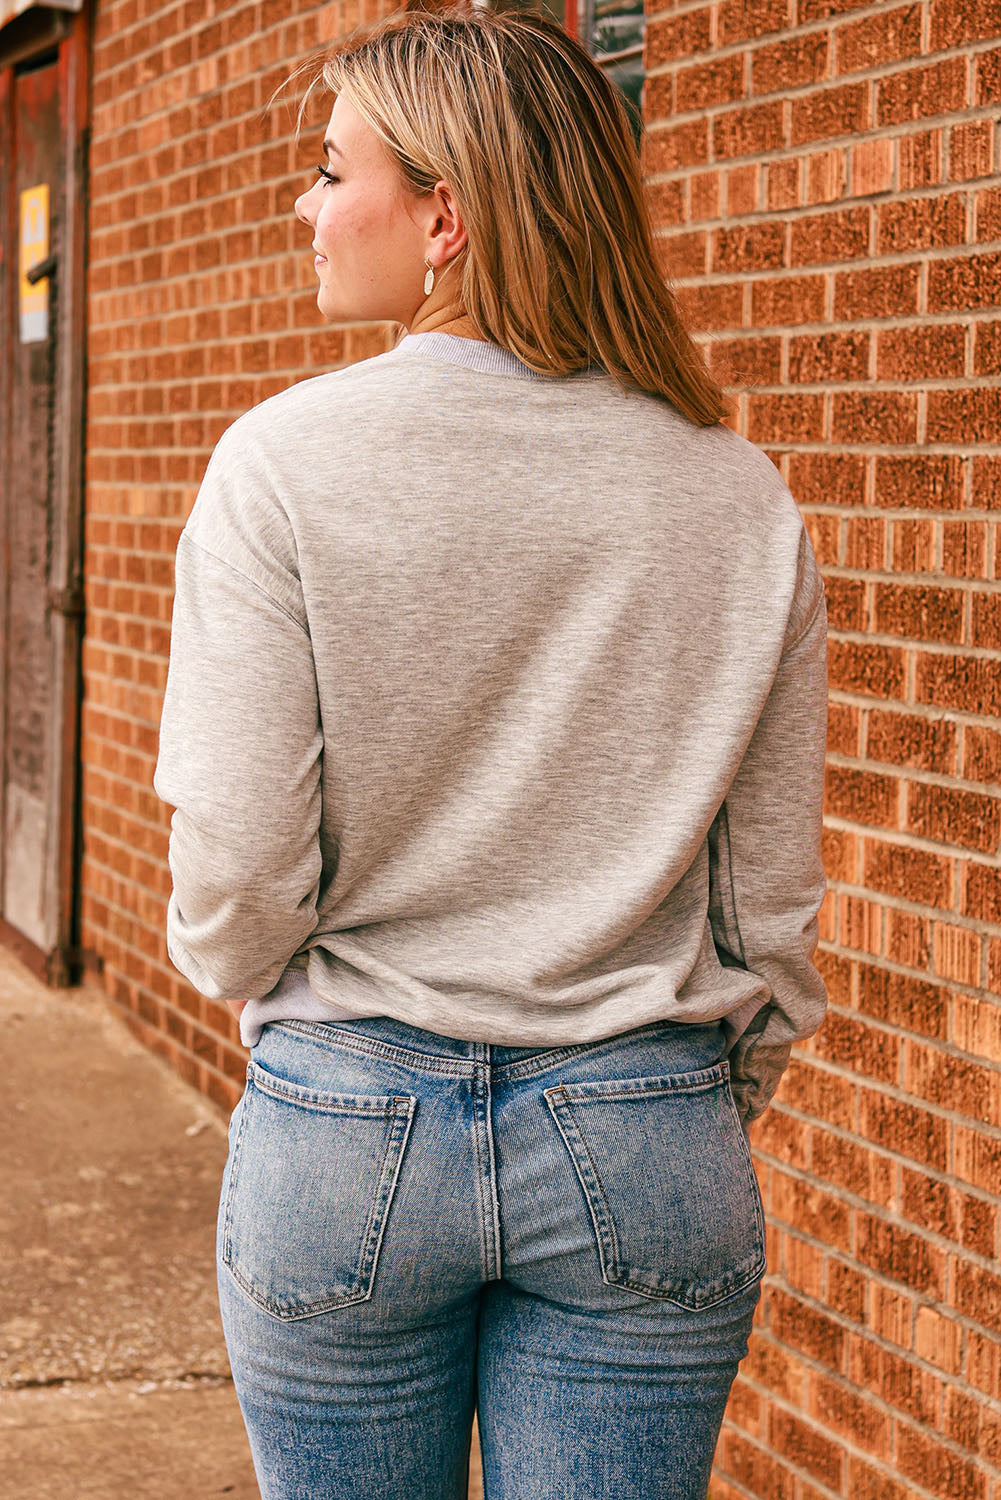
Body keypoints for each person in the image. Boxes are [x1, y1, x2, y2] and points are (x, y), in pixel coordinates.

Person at [152, 5, 829, 1498]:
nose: (304, 204)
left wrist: (265, 1003)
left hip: (345, 1124)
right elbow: (765, 902)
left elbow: (239, 870)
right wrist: (690, 1091)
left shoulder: (282, 463)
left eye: (333, 171)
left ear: (444, 213)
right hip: (644, 1122)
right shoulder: (732, 491)